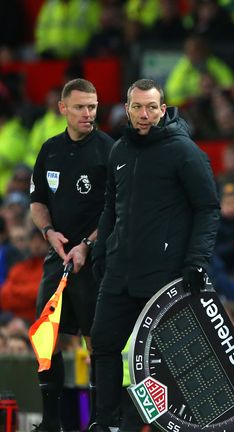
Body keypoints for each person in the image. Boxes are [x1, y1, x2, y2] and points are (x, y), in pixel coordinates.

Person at [87, 79, 220, 431]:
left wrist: (196, 261)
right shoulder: (118, 151)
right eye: (136, 107)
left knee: (168, 360)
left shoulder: (184, 152)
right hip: (119, 270)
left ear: (163, 109)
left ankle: (158, 425)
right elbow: (109, 210)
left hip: (164, 274)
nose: (143, 115)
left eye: (151, 107)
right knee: (102, 344)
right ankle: (106, 423)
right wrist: (101, 252)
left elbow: (208, 208)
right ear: (126, 109)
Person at [28, 78, 114, 432]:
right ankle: (51, 422)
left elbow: (115, 210)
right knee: (44, 336)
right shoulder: (49, 150)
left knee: (96, 339)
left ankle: (98, 420)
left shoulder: (108, 150)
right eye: (80, 106)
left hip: (94, 259)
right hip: (58, 256)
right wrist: (50, 234)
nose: (88, 113)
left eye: (92, 107)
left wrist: (87, 244)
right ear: (62, 108)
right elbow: (37, 203)